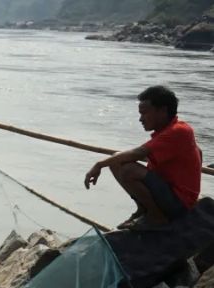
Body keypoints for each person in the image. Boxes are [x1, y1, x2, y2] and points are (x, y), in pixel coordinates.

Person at [84, 85, 203, 229]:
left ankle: (157, 217)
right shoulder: (165, 132)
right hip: (167, 192)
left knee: (129, 170)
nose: (141, 119)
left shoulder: (179, 131)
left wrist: (99, 164)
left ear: (163, 110)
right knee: (116, 161)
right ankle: (143, 210)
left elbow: (139, 153)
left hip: (179, 202)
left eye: (145, 113)